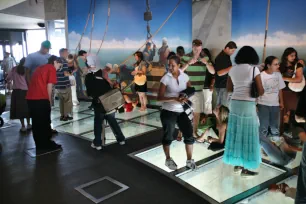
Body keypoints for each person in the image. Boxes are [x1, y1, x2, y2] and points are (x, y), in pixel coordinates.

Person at [223, 46, 264, 177]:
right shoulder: (254, 69)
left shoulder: (233, 69)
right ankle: (246, 167)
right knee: (249, 134)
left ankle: (238, 164)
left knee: (236, 133)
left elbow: (229, 88)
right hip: (248, 104)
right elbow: (261, 90)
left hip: (234, 104)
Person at [157, 55, 197, 170]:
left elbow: (190, 91)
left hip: (182, 111)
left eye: (172, 65)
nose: (170, 67)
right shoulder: (166, 78)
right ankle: (168, 159)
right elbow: (159, 98)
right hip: (168, 111)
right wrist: (174, 98)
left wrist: (185, 97)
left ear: (179, 65)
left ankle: (189, 160)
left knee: (189, 134)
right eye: (169, 65)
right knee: (168, 136)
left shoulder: (185, 76)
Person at [26, 56, 63, 151]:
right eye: (59, 66)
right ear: (55, 62)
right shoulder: (51, 68)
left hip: (31, 98)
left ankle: (40, 144)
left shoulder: (40, 67)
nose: (59, 68)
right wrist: (49, 102)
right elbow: (49, 86)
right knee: (44, 123)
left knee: (37, 123)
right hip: (41, 98)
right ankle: (47, 145)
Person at [180, 39, 215, 137]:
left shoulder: (205, 58)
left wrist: (206, 63)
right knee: (185, 112)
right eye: (195, 49)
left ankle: (194, 132)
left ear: (201, 48)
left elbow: (213, 72)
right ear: (192, 47)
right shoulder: (186, 57)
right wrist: (188, 63)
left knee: (197, 112)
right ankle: (182, 131)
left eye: (199, 49)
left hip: (199, 90)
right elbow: (179, 72)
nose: (197, 51)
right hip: (187, 90)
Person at [85, 67, 126, 150]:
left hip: (99, 106)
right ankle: (121, 139)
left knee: (98, 124)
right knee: (113, 121)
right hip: (109, 106)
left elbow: (89, 93)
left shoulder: (90, 80)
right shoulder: (104, 81)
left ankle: (98, 143)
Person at [257, 56, 286, 143]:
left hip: (275, 104)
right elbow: (257, 91)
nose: (278, 66)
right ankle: (263, 145)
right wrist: (255, 104)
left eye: (278, 64)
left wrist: (281, 102)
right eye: (275, 64)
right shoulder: (261, 76)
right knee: (263, 126)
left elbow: (280, 89)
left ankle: (276, 145)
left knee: (275, 127)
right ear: (269, 65)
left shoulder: (278, 75)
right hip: (263, 104)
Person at [6, 58, 31, 132]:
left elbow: (8, 78)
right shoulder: (27, 69)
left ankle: (23, 126)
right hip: (26, 91)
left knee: (19, 109)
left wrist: (9, 82)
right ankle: (29, 124)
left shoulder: (14, 69)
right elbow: (29, 80)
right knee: (27, 108)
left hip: (16, 92)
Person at [280, 48, 304, 114]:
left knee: (292, 112)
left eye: (295, 55)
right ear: (286, 56)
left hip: (294, 92)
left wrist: (283, 78)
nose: (294, 57)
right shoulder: (281, 65)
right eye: (292, 55)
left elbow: (299, 79)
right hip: (282, 92)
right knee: (283, 112)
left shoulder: (298, 64)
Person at [214, 41, 237, 107]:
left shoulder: (226, 56)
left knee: (223, 106)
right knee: (222, 107)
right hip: (222, 86)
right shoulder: (221, 57)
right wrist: (232, 67)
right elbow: (219, 73)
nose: (233, 53)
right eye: (232, 51)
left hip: (224, 85)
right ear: (227, 48)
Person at [55, 48, 73, 121]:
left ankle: (62, 115)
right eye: (67, 52)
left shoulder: (56, 61)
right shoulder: (64, 61)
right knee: (67, 100)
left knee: (61, 101)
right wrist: (71, 73)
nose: (68, 53)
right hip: (65, 84)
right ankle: (66, 116)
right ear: (63, 53)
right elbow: (65, 73)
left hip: (58, 84)